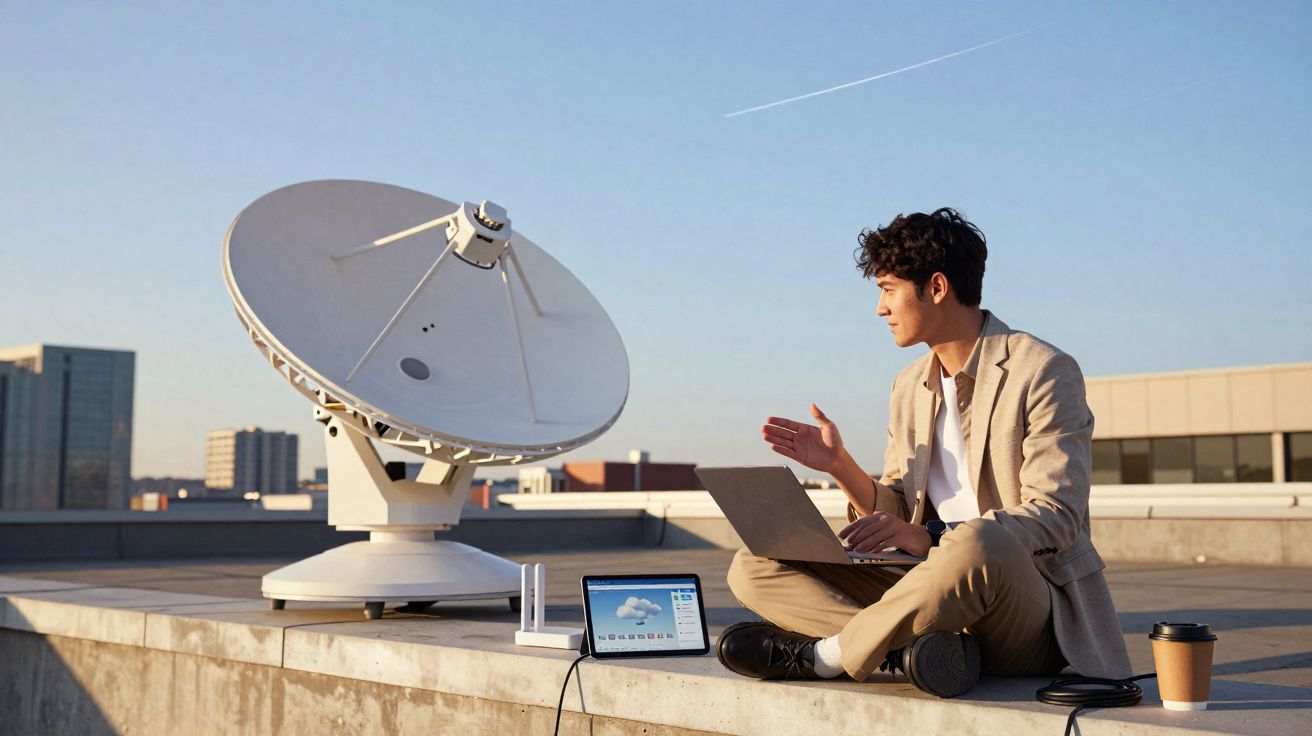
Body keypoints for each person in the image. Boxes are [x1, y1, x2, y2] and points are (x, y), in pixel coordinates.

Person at [716, 208, 1131, 697]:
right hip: (927, 592)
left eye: (888, 289)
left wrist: (932, 535)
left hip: (1023, 608)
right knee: (754, 563)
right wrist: (839, 467)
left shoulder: (1043, 370)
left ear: (936, 288)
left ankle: (829, 656)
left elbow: (1056, 516)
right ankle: (911, 654)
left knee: (978, 543)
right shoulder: (910, 384)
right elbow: (897, 512)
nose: (879, 308)